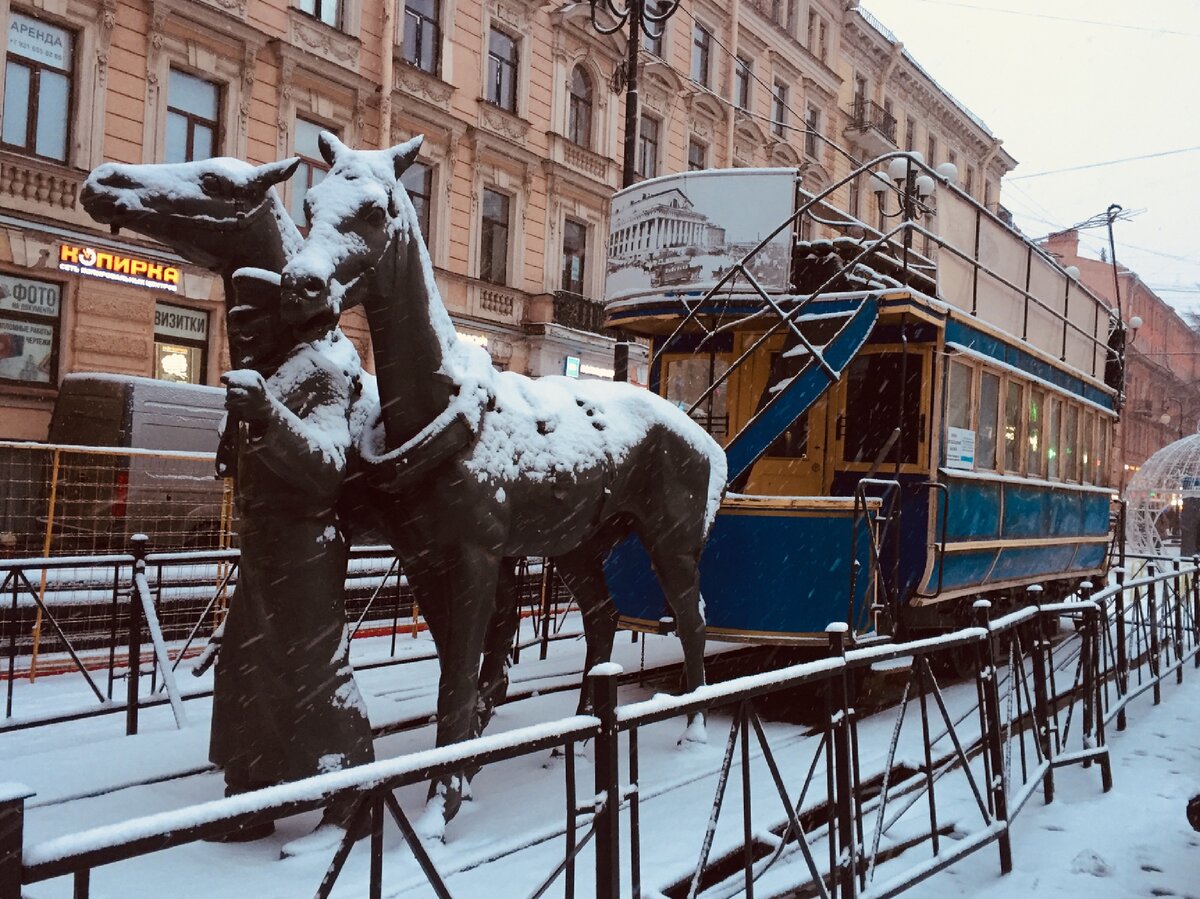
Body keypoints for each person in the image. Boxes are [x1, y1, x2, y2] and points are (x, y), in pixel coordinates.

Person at [208, 273, 374, 845]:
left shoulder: (317, 373)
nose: (242, 336)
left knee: (316, 669)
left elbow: (328, 466)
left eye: (253, 323)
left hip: (305, 547)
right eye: (234, 325)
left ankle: (352, 799)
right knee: (250, 672)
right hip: (264, 548)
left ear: (279, 321)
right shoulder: (271, 376)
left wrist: (267, 414)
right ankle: (252, 794)